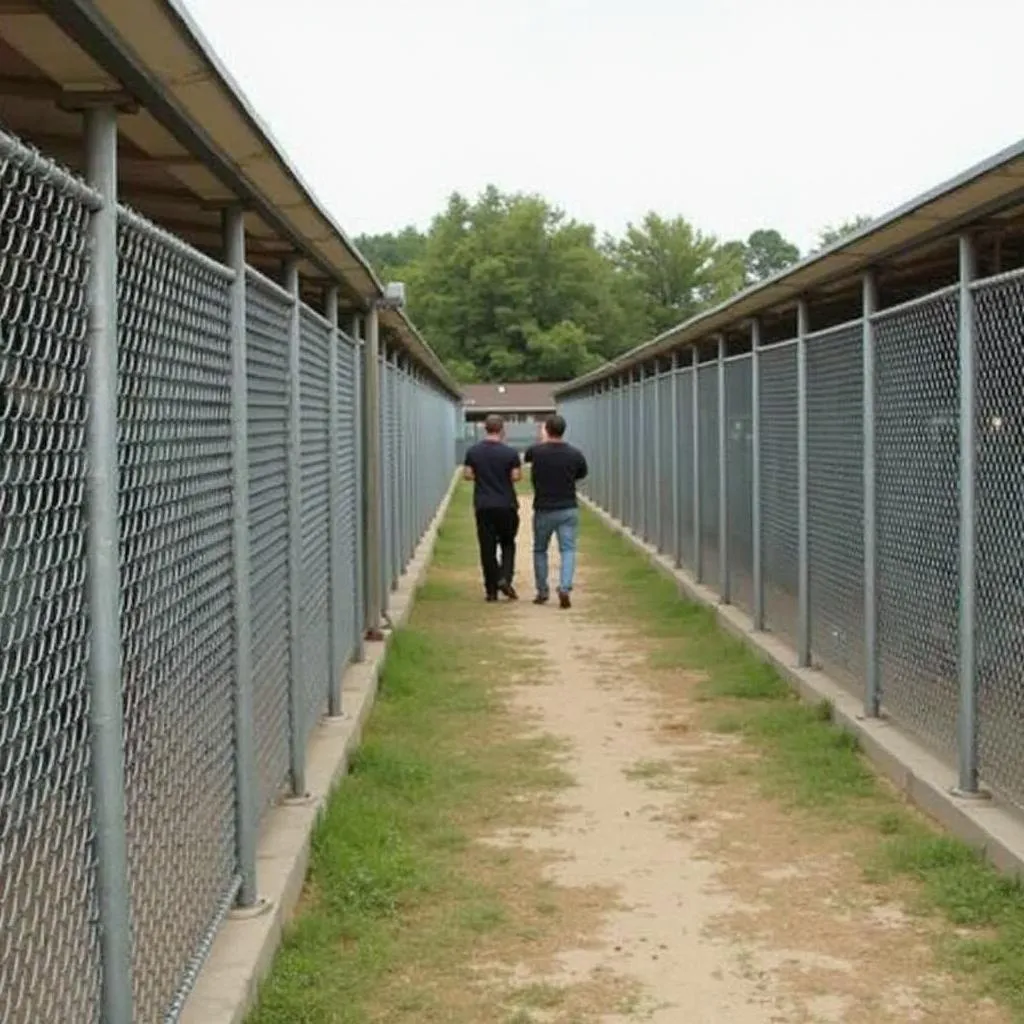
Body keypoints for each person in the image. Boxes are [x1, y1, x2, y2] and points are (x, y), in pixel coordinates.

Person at [523, 414, 588, 609]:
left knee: (540, 549)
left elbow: (528, 459)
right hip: (568, 507)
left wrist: (543, 440)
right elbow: (582, 473)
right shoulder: (575, 454)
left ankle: (542, 591)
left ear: (547, 430)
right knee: (567, 549)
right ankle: (565, 587)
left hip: (543, 507)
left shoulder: (536, 452)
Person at [463, 414, 522, 602]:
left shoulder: (473, 452)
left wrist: (482, 476)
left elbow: (467, 475)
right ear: (502, 430)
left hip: (483, 505)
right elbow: (515, 476)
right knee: (508, 543)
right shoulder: (510, 453)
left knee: (487, 548)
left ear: (485, 429)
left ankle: (491, 590)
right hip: (506, 504)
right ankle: (504, 577)